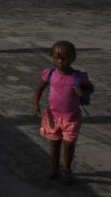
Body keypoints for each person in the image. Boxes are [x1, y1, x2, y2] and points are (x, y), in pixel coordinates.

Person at [32, 40, 94, 184]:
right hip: (53, 116)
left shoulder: (79, 76)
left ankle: (67, 170)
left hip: (71, 118)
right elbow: (39, 88)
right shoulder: (50, 74)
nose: (60, 61)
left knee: (69, 145)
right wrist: (35, 104)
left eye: (64, 58)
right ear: (52, 57)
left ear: (73, 58)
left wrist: (83, 91)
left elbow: (91, 88)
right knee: (54, 144)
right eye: (56, 57)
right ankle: (55, 169)